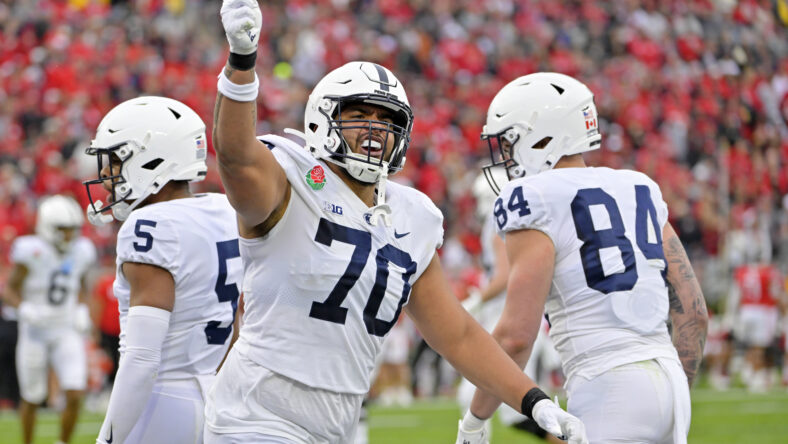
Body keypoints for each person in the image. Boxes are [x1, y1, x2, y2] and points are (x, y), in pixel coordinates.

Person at [205, 2, 587, 443]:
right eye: (360, 115)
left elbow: (458, 335)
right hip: (256, 412)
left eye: (388, 120)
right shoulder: (289, 179)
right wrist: (241, 62)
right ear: (323, 118)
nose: (375, 129)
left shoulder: (412, 216)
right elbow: (235, 157)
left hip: (340, 420)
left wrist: (532, 399)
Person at [459, 72, 709, 444]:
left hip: (607, 384)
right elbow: (694, 312)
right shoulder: (638, 186)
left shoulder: (535, 197)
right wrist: (672, 391)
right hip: (670, 378)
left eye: (511, 141)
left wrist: (474, 421)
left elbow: (515, 337)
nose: (507, 156)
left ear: (542, 136)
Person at [83, 96, 242, 444]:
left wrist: (107, 439)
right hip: (220, 397)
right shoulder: (224, 211)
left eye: (116, 161)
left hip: (163, 403)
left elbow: (141, 359)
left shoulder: (150, 224)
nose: (108, 175)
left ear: (152, 159)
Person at [457, 169, 563, 444]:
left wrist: (476, 300)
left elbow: (503, 278)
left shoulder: (497, 225)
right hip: (516, 319)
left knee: (477, 397)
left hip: (509, 320)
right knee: (511, 410)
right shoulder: (507, 224)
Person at [2, 194, 96, 444]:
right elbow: (9, 289)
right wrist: (25, 309)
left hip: (66, 327)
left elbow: (83, 286)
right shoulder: (30, 250)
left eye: (72, 230)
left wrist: (83, 310)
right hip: (35, 329)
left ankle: (62, 442)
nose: (68, 236)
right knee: (33, 396)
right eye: (62, 230)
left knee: (76, 392)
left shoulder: (82, 250)